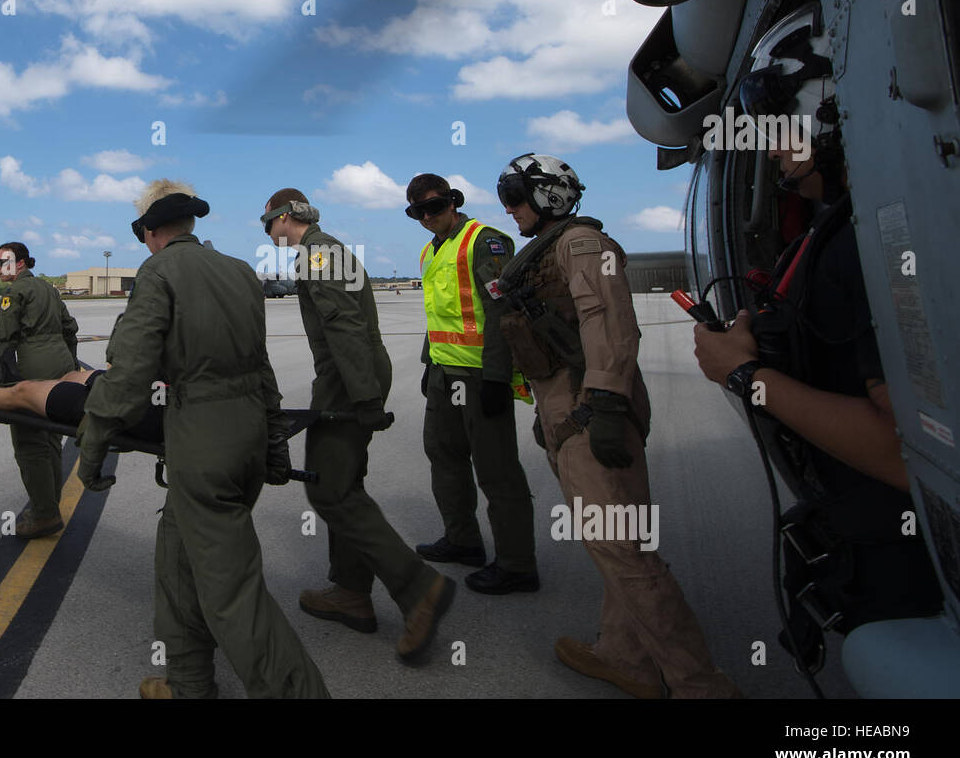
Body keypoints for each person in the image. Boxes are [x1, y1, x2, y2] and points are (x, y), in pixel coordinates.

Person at [692, 3, 942, 668]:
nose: (769, 142)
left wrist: (746, 376)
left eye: (779, 123)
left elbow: (907, 451)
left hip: (904, 562)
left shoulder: (868, 238)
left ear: (828, 110)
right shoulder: (834, 227)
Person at [494, 155, 739, 698]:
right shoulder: (551, 249)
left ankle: (700, 684)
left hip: (593, 410)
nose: (508, 207)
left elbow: (609, 329)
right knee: (610, 546)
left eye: (514, 193)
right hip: (569, 408)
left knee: (626, 551)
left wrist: (601, 410)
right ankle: (624, 655)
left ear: (547, 195)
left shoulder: (581, 246)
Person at [76, 180, 329, 699]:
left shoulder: (158, 271)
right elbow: (261, 366)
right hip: (247, 435)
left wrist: (93, 443)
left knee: (232, 592)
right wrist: (275, 446)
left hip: (202, 440)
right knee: (177, 557)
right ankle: (189, 682)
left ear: (149, 231)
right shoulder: (238, 271)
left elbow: (128, 374)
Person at [262, 188, 455, 665]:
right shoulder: (328, 250)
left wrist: (364, 397)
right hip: (355, 374)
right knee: (343, 483)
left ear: (286, 217)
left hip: (349, 380)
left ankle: (418, 587)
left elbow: (344, 326)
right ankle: (350, 591)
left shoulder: (318, 254)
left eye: (267, 224)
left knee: (331, 492)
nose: (268, 234)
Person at [406, 173, 540, 594]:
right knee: (442, 455)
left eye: (434, 206)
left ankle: (517, 564)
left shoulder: (486, 241)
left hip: (482, 375)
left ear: (453, 202)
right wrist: (430, 364)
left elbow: (500, 312)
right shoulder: (430, 251)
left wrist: (499, 378)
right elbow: (439, 314)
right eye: (418, 212)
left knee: (497, 470)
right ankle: (463, 540)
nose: (428, 217)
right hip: (446, 374)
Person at [0, 241, 80, 539]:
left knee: (30, 442)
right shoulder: (49, 289)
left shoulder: (14, 292)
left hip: (34, 363)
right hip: (61, 362)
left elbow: (5, 341)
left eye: (2, 261)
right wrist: (70, 364)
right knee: (51, 438)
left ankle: (44, 514)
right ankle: (50, 504)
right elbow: (70, 328)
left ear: (19, 264)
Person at [0, 349, 163, 444]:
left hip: (142, 408)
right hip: (144, 388)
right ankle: (12, 390)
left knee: (26, 392)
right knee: (73, 376)